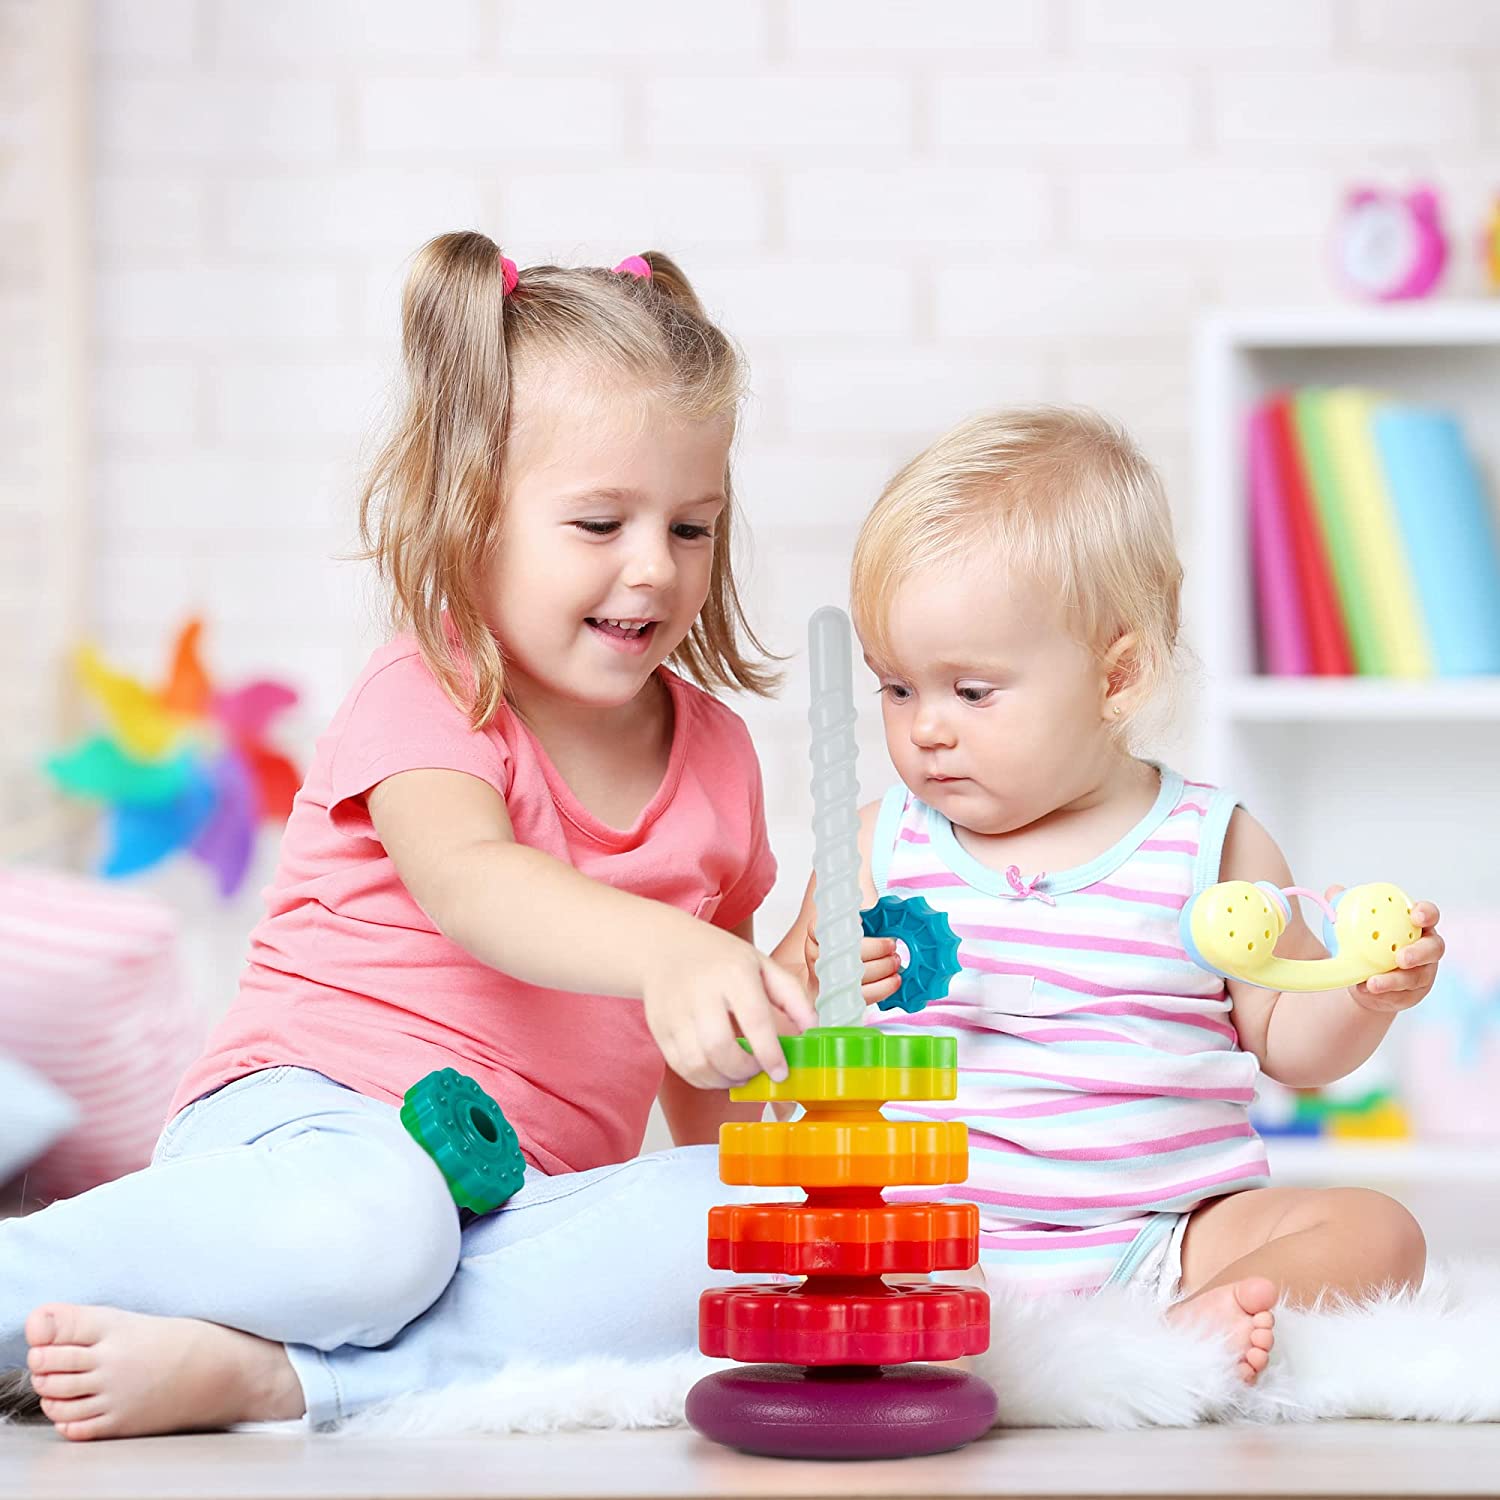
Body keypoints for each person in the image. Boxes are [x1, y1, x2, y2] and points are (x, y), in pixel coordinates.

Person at [5, 232, 822, 1440]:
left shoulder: (717, 757)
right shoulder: (432, 687)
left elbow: (709, 1075)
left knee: (762, 1222)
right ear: (470, 515)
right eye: (599, 524)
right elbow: (473, 883)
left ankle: (287, 1381)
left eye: (691, 529)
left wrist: (760, 1087)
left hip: (520, 1209)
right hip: (316, 1130)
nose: (653, 567)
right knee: (381, 1229)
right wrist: (672, 952)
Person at [776, 406, 1442, 1384]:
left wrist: (1359, 994)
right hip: (931, 1241)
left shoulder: (1208, 844)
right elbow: (785, 1040)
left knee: (1377, 1231)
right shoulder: (881, 842)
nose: (926, 730)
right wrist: (817, 987)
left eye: (970, 690)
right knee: (755, 1230)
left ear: (1115, 676)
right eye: (896, 688)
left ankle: (1181, 1328)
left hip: (1165, 1236)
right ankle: (954, 1336)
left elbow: (1290, 1048)